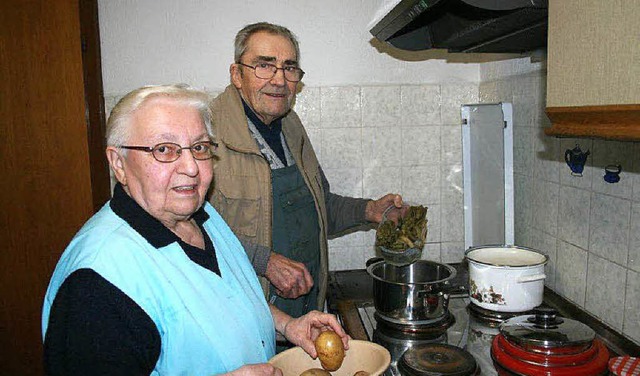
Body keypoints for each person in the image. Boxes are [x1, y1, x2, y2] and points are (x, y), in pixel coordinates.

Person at [41, 84, 349, 375]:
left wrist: (286, 325)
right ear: (118, 163)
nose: (191, 167)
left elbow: (225, 299)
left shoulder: (202, 215)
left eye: (199, 147)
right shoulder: (96, 284)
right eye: (164, 149)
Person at [209, 22, 406, 321]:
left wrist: (368, 211)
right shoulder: (205, 135)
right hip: (245, 319)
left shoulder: (291, 126)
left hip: (307, 310)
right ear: (237, 74)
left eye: (289, 68)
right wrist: (264, 261)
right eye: (264, 65)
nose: (279, 80)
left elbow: (317, 207)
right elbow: (185, 234)